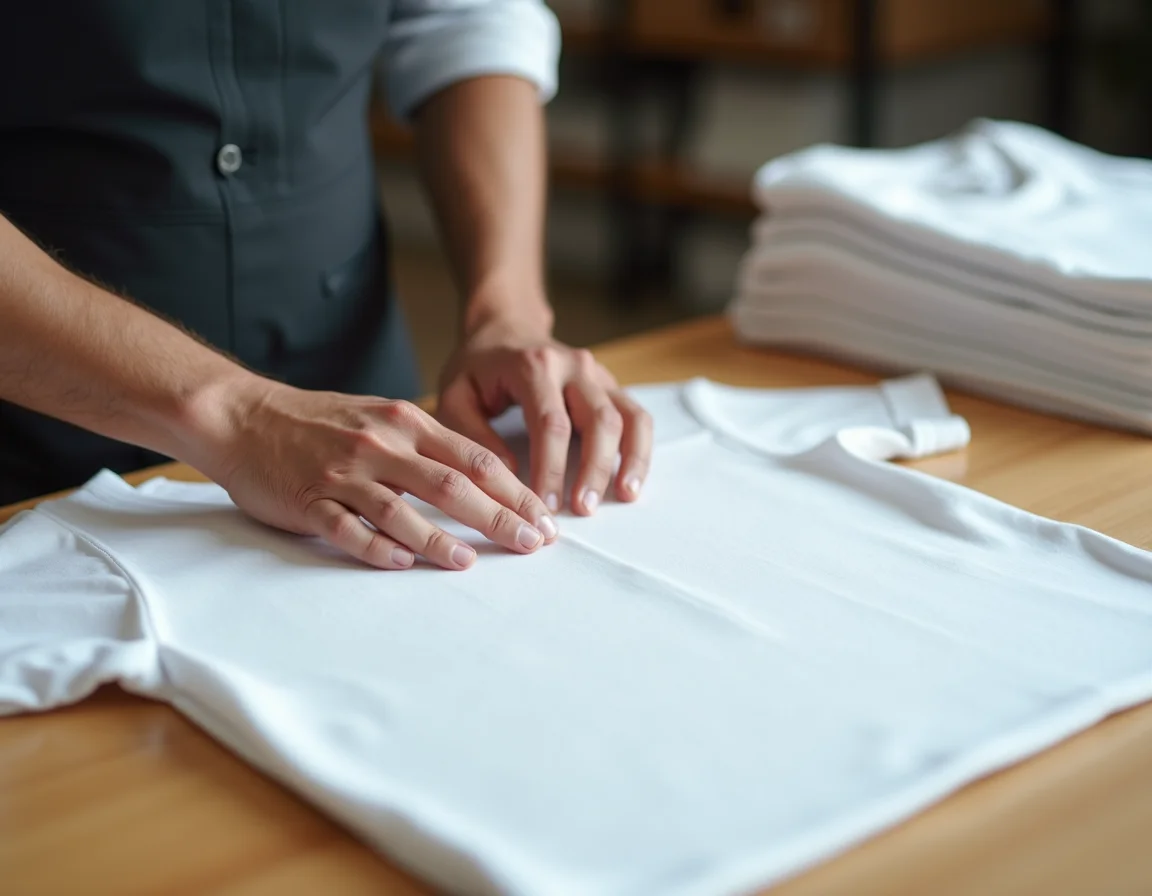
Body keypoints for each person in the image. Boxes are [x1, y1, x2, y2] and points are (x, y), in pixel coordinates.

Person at [0, 1, 652, 571]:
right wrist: (241, 413)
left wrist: (507, 311)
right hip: (32, 449)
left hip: (361, 403)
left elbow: (465, 17)